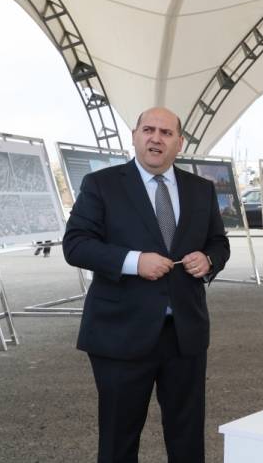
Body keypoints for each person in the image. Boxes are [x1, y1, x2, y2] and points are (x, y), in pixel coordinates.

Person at [63, 107, 230, 462]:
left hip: (184, 334)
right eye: (148, 130)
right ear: (135, 136)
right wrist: (134, 262)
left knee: (187, 439)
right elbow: (76, 244)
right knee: (118, 441)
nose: (156, 138)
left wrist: (209, 259)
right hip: (120, 334)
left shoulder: (201, 189)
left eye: (166, 133)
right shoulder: (102, 184)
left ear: (179, 143)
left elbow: (219, 242)